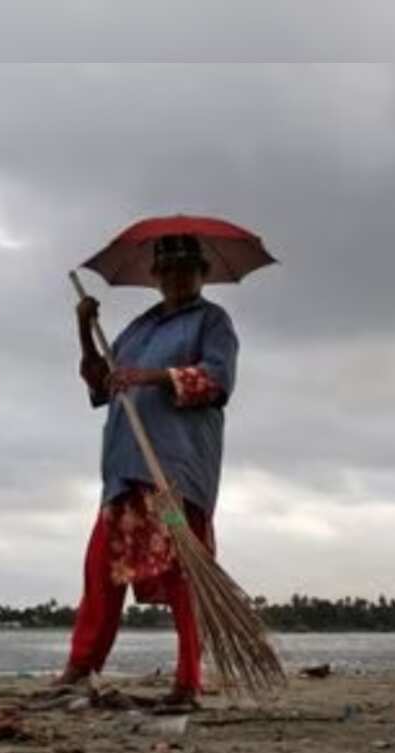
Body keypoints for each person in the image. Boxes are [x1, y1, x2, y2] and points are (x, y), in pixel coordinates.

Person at [58, 234, 239, 707]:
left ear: (202, 274)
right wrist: (85, 328)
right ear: (156, 277)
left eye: (187, 270)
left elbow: (217, 382)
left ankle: (188, 681)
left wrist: (153, 378)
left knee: (184, 573)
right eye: (169, 271)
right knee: (101, 567)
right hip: (124, 464)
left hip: (175, 467)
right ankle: (81, 666)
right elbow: (101, 385)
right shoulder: (138, 330)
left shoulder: (212, 322)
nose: (177, 278)